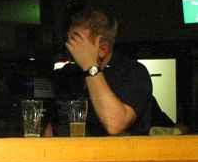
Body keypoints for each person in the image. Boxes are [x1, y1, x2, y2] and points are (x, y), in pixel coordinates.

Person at [48, 7, 152, 136]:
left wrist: (90, 66)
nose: (70, 47)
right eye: (69, 40)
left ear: (102, 49)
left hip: (119, 154)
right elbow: (52, 128)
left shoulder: (133, 73)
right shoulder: (65, 75)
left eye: (77, 43)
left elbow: (115, 125)